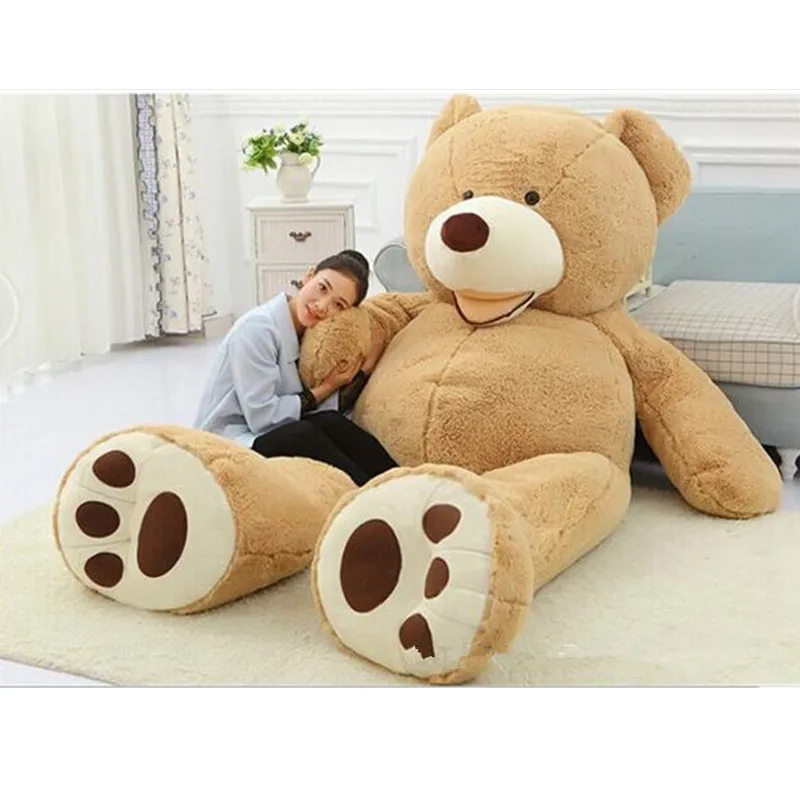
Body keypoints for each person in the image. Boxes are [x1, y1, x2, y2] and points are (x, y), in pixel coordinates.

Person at [194, 249, 397, 486]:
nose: (322, 306)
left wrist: (363, 371)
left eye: (338, 305)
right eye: (322, 288)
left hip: (265, 431)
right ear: (309, 276)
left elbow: (314, 409)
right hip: (230, 440)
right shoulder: (257, 330)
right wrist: (326, 388)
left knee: (332, 421)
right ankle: (371, 494)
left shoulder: (311, 336)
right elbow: (263, 418)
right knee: (302, 435)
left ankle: (406, 481)